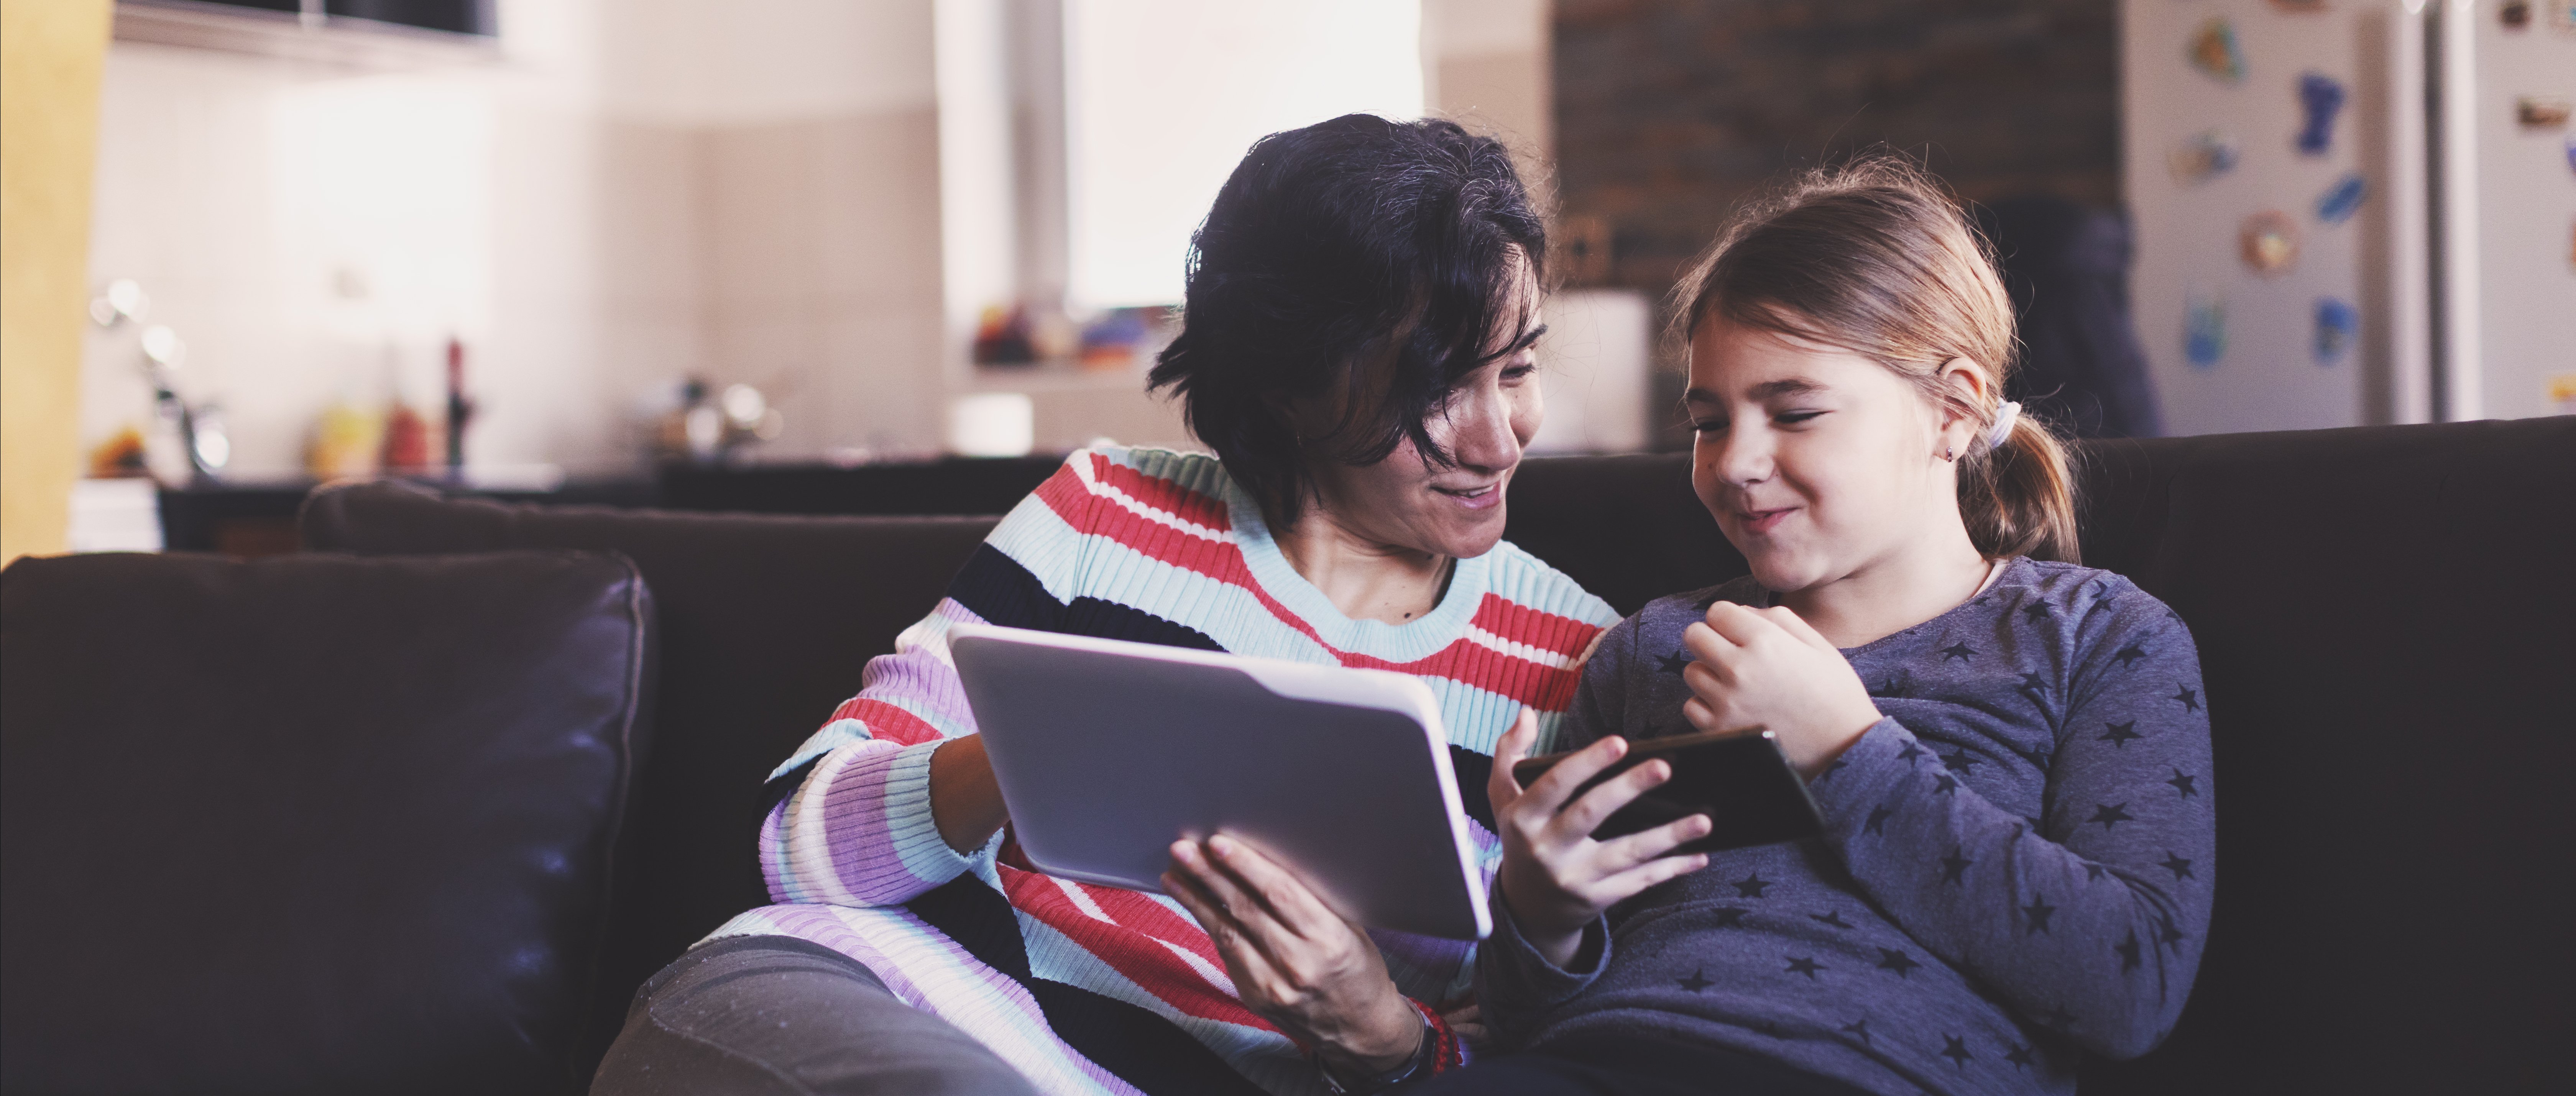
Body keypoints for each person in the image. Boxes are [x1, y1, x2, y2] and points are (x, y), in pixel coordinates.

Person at [591, 115, 1620, 1096]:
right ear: (1291, 385)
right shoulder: (1100, 511)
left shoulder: (1582, 662)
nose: (1502, 436)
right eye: (1440, 388)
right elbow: (800, 849)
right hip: (862, 996)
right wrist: (1037, 750)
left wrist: (1380, 1033)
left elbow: (1553, 1059)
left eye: (1519, 367)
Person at [1431, 159, 2215, 1095]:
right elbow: (1517, 1014)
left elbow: (2130, 983)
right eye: (1709, 422)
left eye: (1795, 411)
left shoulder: (2098, 636)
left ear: (1954, 408)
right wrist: (1540, 907)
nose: (1739, 462)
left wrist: (1845, 748)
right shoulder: (1654, 647)